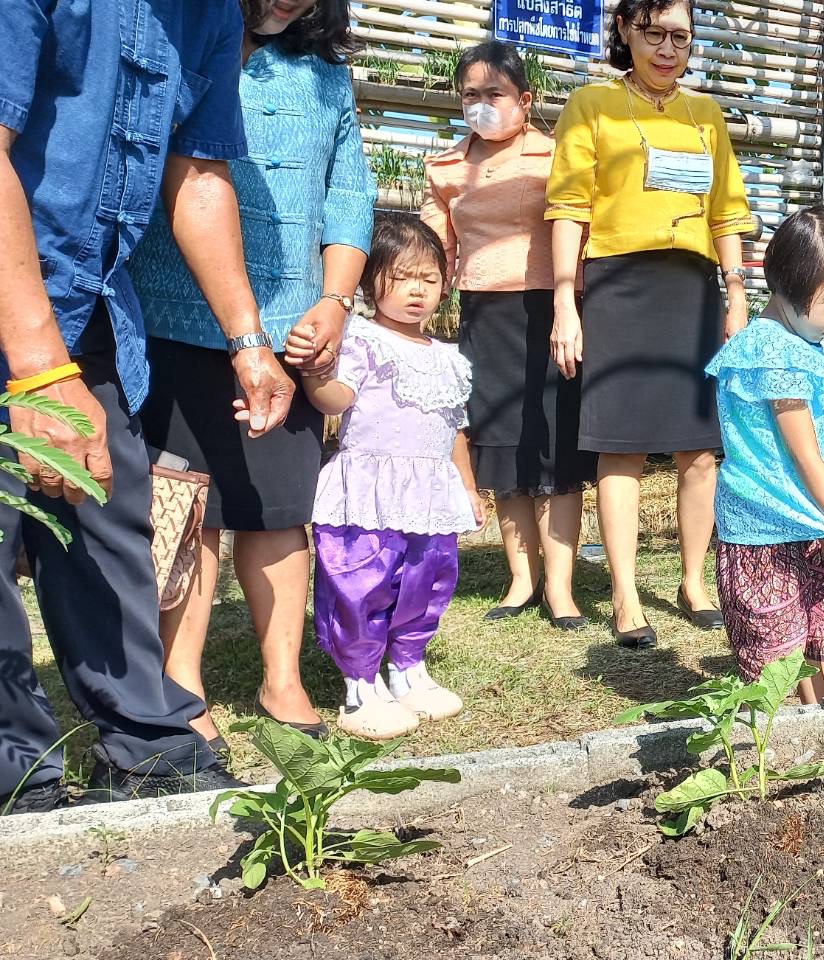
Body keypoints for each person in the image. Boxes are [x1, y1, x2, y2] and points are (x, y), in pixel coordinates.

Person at [1, 0, 297, 810]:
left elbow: (198, 173)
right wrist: (34, 370)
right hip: (17, 299)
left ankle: (149, 745)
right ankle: (14, 773)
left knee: (111, 522)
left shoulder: (205, 14)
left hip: (87, 306)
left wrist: (248, 339)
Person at [130, 0, 377, 747]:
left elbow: (349, 194)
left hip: (292, 334)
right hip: (176, 315)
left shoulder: (326, 78)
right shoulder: (187, 44)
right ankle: (182, 681)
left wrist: (333, 302)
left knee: (278, 510)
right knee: (188, 510)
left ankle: (283, 676)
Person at [546, 0, 757, 649]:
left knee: (700, 449)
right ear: (626, 32)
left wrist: (737, 290)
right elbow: (567, 206)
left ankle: (693, 581)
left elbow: (727, 210)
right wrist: (563, 298)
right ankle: (624, 592)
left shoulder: (706, 115)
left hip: (692, 288)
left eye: (681, 37)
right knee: (623, 444)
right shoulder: (592, 106)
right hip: (619, 284)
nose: (668, 48)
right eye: (654, 33)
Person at [423, 41, 598, 628]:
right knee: (502, 447)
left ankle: (562, 588)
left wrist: (573, 305)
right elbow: (434, 245)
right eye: (470, 95)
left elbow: (583, 228)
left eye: (493, 94)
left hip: (553, 312)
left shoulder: (557, 156)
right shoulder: (445, 167)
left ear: (524, 100)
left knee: (556, 447)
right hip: (483, 314)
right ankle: (521, 581)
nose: (481, 105)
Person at [705, 207, 824, 701]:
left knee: (812, 636)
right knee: (776, 651)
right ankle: (787, 748)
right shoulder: (772, 350)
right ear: (791, 281)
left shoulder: (800, 344)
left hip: (798, 521)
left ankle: (815, 734)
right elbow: (806, 457)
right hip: (763, 529)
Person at [299, 215, 480, 740]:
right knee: (362, 580)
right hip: (370, 488)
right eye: (401, 277)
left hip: (430, 490)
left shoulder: (449, 358)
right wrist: (316, 373)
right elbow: (338, 400)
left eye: (428, 278)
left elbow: (455, 429)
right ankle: (360, 681)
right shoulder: (360, 339)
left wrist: (467, 487)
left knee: (429, 577)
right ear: (370, 280)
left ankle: (409, 667)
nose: (417, 291)